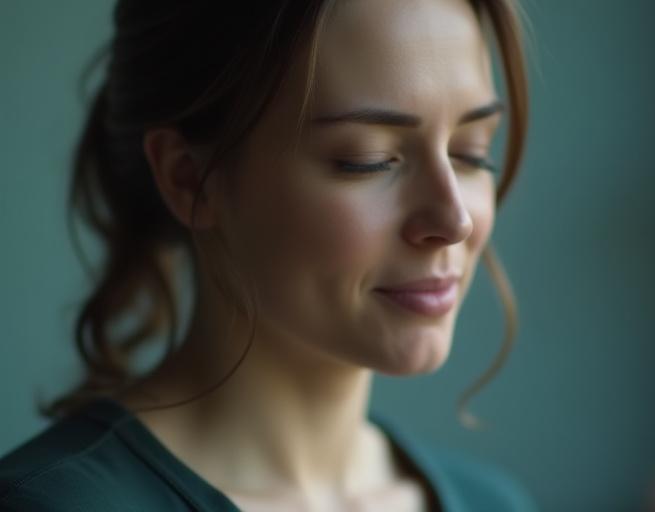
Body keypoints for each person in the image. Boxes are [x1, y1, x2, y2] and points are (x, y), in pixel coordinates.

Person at [0, 0, 535, 510]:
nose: (454, 221)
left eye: (471, 153)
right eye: (367, 160)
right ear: (189, 179)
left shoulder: (495, 503)